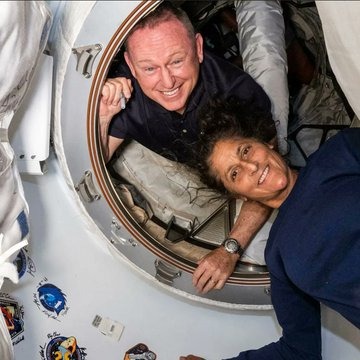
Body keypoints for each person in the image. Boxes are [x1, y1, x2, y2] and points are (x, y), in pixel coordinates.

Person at [99, 1, 275, 293]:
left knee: (267, 58)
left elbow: (270, 179)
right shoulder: (125, 94)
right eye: (149, 68)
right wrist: (104, 116)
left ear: (199, 47)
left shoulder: (239, 94)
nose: (167, 81)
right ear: (131, 65)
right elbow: (97, 158)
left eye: (177, 61)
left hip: (241, 160)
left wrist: (230, 249)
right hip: (191, 164)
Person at [180, 96, 360, 359]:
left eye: (245, 151)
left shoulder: (339, 153)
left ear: (266, 142)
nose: (251, 167)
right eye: (235, 174)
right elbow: (299, 352)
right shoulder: (277, 256)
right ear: (238, 195)